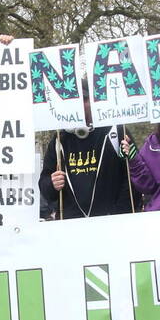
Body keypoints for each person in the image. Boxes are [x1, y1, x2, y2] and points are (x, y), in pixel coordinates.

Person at [37, 82, 133, 219]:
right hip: (71, 226)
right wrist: (52, 184)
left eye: (85, 100)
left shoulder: (115, 132)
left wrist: (119, 214)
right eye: (75, 101)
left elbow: (131, 176)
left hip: (111, 222)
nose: (80, 106)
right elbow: (45, 185)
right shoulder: (59, 138)